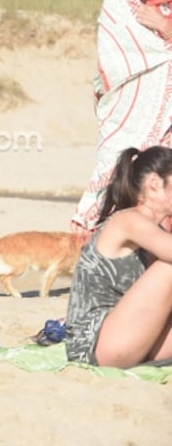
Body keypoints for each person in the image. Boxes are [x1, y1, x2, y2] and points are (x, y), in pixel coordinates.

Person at [72, 0, 172, 238]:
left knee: (162, 181)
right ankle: (101, 250)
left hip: (169, 116)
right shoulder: (117, 2)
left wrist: (166, 28)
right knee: (113, 170)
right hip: (124, 108)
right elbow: (114, 60)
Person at [65, 145, 172, 368]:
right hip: (95, 345)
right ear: (154, 184)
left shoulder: (156, 231)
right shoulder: (128, 221)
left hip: (133, 337)